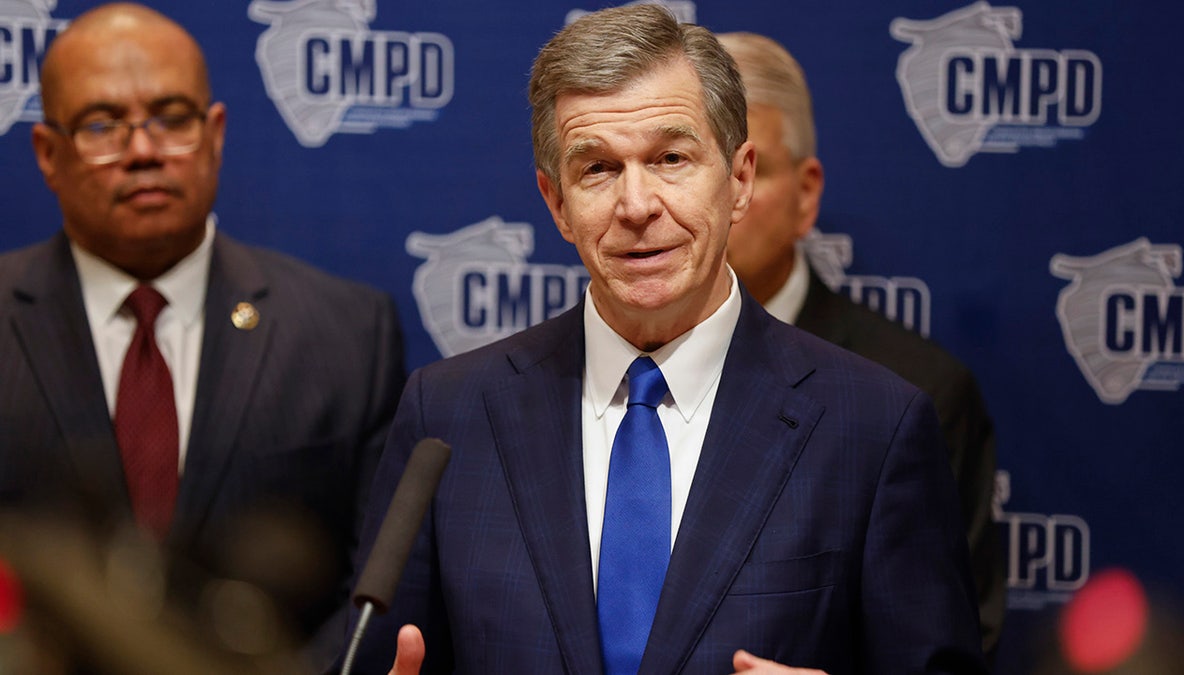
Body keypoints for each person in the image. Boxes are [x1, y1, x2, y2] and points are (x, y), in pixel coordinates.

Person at [349, 5, 985, 674]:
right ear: (556, 202)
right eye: (597, 168)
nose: (636, 205)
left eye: (671, 157)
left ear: (738, 179)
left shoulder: (875, 427)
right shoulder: (449, 413)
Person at [0, 1, 405, 651]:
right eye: (103, 124)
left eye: (172, 118)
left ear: (214, 134)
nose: (142, 150)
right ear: (48, 153)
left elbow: (371, 595)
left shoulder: (348, 336)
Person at [715, 32, 1005, 659]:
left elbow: (955, 647)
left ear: (806, 193)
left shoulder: (915, 392)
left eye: (749, 169)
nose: (719, 199)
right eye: (688, 162)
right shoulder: (599, 376)